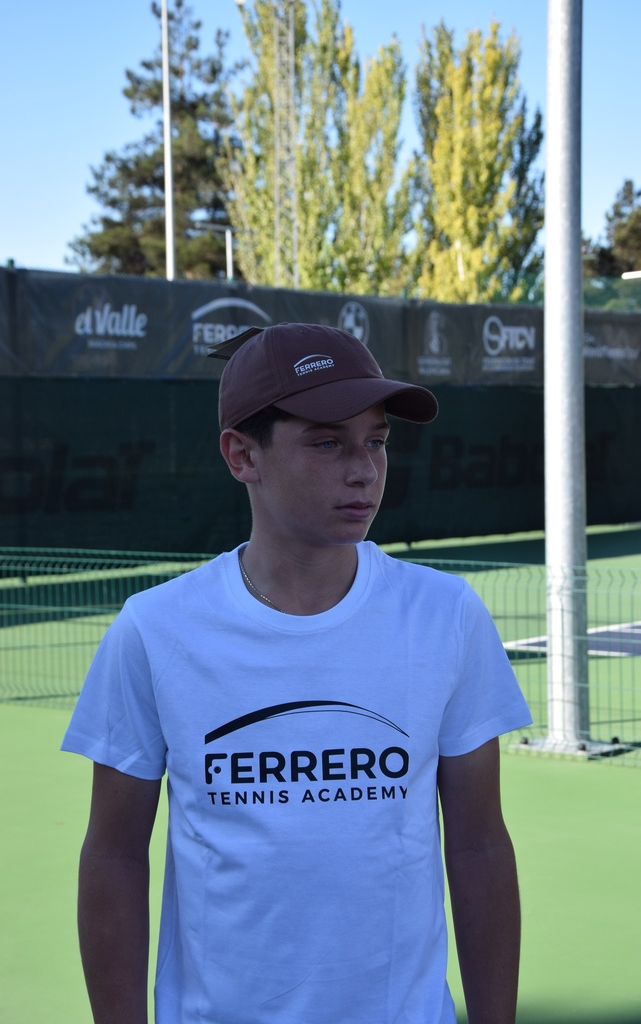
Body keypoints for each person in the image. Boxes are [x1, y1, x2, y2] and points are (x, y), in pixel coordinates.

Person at [62, 322, 532, 1024]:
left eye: (375, 440)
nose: (362, 469)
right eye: (325, 442)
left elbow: (477, 843)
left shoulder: (446, 615)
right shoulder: (154, 630)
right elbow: (115, 857)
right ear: (240, 455)